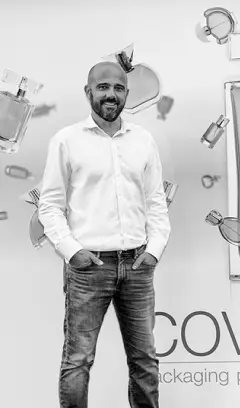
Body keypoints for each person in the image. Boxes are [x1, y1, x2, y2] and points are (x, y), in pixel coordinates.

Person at [38, 61, 171, 408]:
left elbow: (156, 201)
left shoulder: (143, 140)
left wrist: (154, 250)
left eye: (118, 88)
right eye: (103, 87)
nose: (111, 95)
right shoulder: (66, 140)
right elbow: (49, 205)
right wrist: (72, 251)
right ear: (88, 92)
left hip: (138, 266)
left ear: (126, 93)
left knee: (145, 360)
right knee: (78, 360)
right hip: (89, 268)